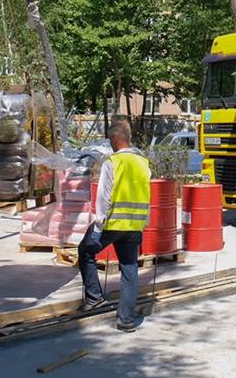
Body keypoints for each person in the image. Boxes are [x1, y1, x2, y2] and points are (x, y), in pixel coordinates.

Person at [78, 120, 152, 332]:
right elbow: (146, 195)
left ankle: (94, 298)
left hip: (112, 224)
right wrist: (143, 224)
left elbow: (103, 197)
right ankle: (125, 320)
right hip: (134, 225)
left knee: (85, 251)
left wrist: (98, 227)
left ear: (114, 139)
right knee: (129, 269)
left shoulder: (113, 162)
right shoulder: (143, 162)